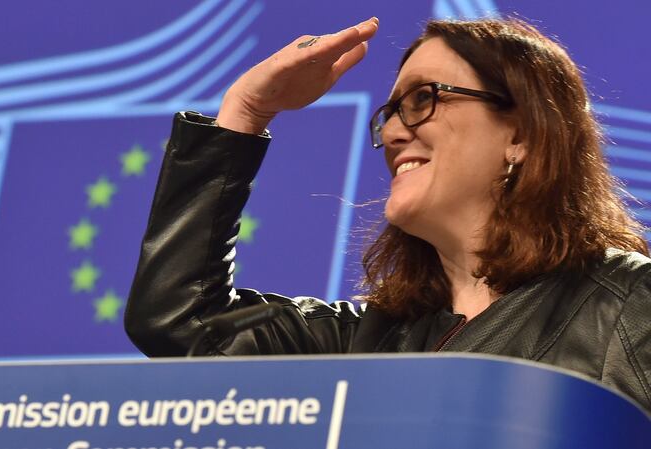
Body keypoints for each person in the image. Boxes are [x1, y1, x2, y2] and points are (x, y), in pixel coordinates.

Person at [125, 17, 651, 410]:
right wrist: (244, 114)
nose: (396, 133)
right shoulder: (371, 341)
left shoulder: (627, 304)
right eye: (391, 113)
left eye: (424, 98)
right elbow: (183, 323)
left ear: (522, 134)